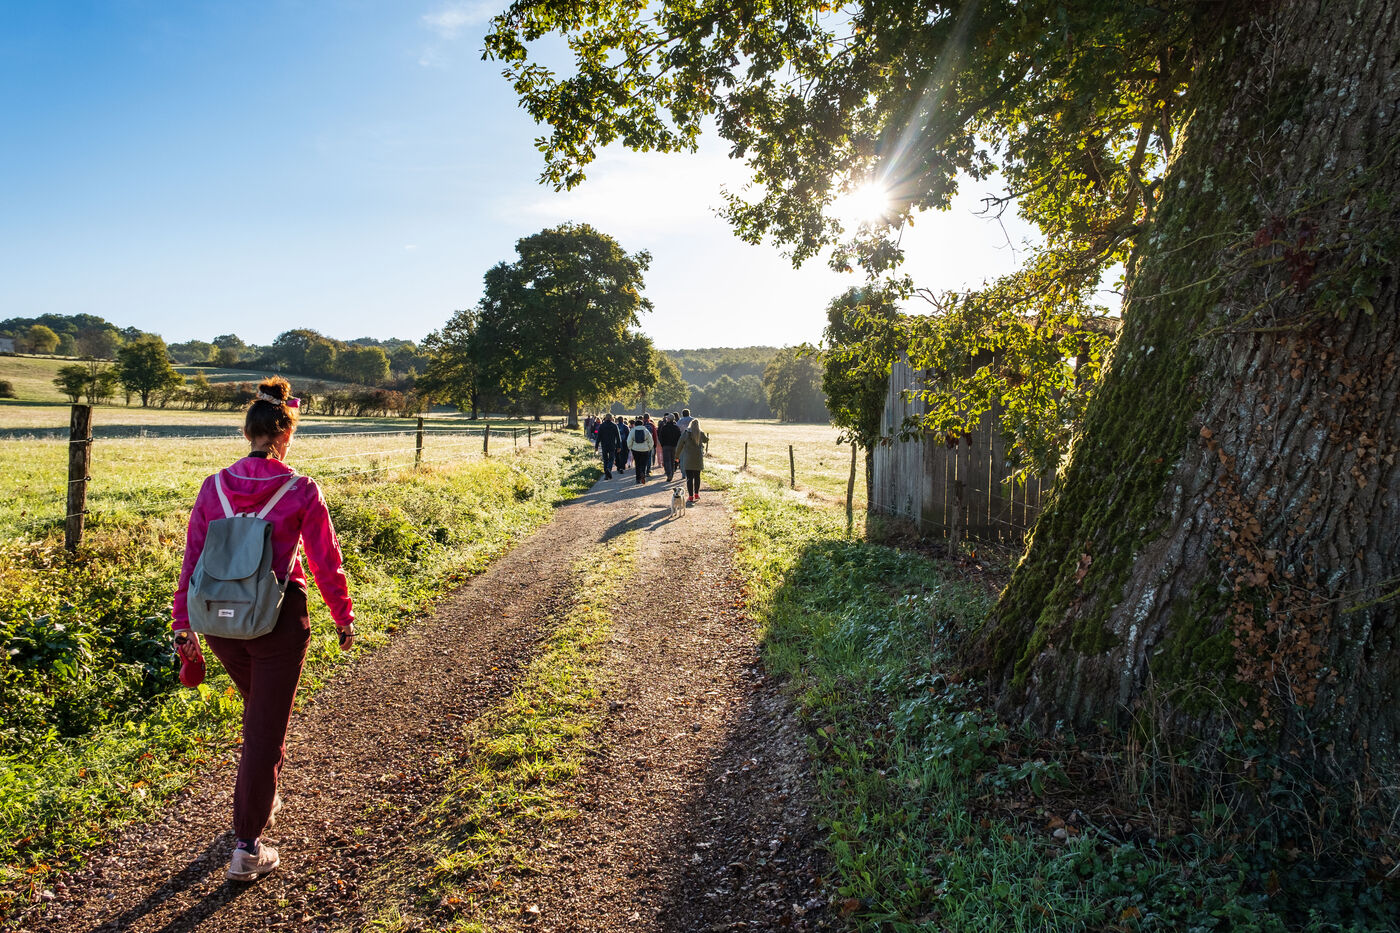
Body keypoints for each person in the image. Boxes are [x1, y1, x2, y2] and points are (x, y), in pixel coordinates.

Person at [171, 377, 355, 882]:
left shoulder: (213, 487)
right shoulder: (301, 489)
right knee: (265, 730)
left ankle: (263, 797)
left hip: (219, 622)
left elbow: (193, 559)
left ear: (247, 432)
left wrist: (183, 623)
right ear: (285, 434)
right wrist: (343, 616)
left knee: (260, 713)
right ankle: (248, 847)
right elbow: (324, 560)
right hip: (278, 621)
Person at [675, 417, 708, 504]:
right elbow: (706, 440)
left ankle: (690, 496)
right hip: (698, 458)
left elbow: (679, 445)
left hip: (688, 458)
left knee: (689, 478)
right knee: (697, 477)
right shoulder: (700, 433)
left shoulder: (686, 433)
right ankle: (696, 494)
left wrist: (677, 456)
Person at [627, 415, 655, 484]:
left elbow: (629, 440)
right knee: (644, 463)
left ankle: (638, 479)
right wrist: (649, 448)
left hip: (635, 449)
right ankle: (643, 473)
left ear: (635, 424)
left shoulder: (633, 430)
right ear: (642, 424)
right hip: (645, 449)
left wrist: (630, 447)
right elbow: (651, 441)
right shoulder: (646, 431)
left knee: (637, 464)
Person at [657, 413, 681, 483]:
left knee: (667, 461)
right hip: (674, 446)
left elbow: (661, 437)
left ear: (668, 419)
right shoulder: (676, 428)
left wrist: (663, 445)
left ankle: (669, 474)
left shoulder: (664, 427)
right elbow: (679, 437)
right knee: (672, 461)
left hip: (666, 446)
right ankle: (671, 474)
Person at [595, 413, 621, 478]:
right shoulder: (614, 425)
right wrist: (619, 446)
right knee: (611, 458)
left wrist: (596, 446)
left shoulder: (602, 425)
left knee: (605, 459)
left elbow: (598, 437)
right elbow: (618, 437)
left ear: (605, 418)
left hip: (604, 445)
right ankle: (609, 468)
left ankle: (606, 473)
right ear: (611, 418)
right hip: (612, 444)